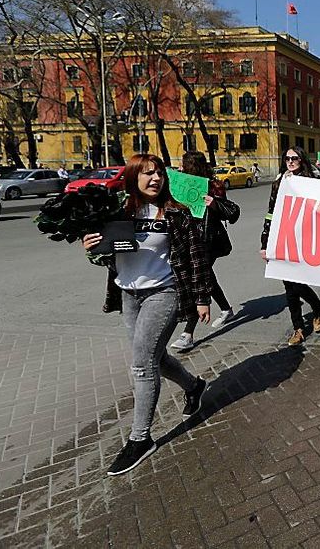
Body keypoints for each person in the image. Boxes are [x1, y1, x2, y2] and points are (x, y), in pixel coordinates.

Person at [81, 153, 211, 476]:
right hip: (129, 295)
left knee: (142, 364)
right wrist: (90, 246)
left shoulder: (176, 213)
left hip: (163, 293)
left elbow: (195, 256)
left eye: (159, 174)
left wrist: (201, 298)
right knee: (156, 358)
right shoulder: (118, 211)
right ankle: (194, 387)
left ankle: (140, 438)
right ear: (133, 177)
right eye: (147, 174)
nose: (155, 179)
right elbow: (103, 255)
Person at [170, 151, 240, 351]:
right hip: (188, 240)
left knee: (199, 280)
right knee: (207, 277)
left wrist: (214, 203)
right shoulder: (180, 184)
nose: (181, 168)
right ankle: (226, 309)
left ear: (192, 167)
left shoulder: (212, 186)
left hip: (207, 242)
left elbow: (233, 212)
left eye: (184, 165)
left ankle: (188, 333)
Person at [260, 147, 320, 346]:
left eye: (294, 158)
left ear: (301, 159)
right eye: (287, 158)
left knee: (297, 282)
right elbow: (271, 213)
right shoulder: (279, 182)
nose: (290, 161)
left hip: (304, 238)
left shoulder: (312, 181)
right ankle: (298, 328)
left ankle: (316, 306)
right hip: (283, 237)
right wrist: (265, 242)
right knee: (289, 286)